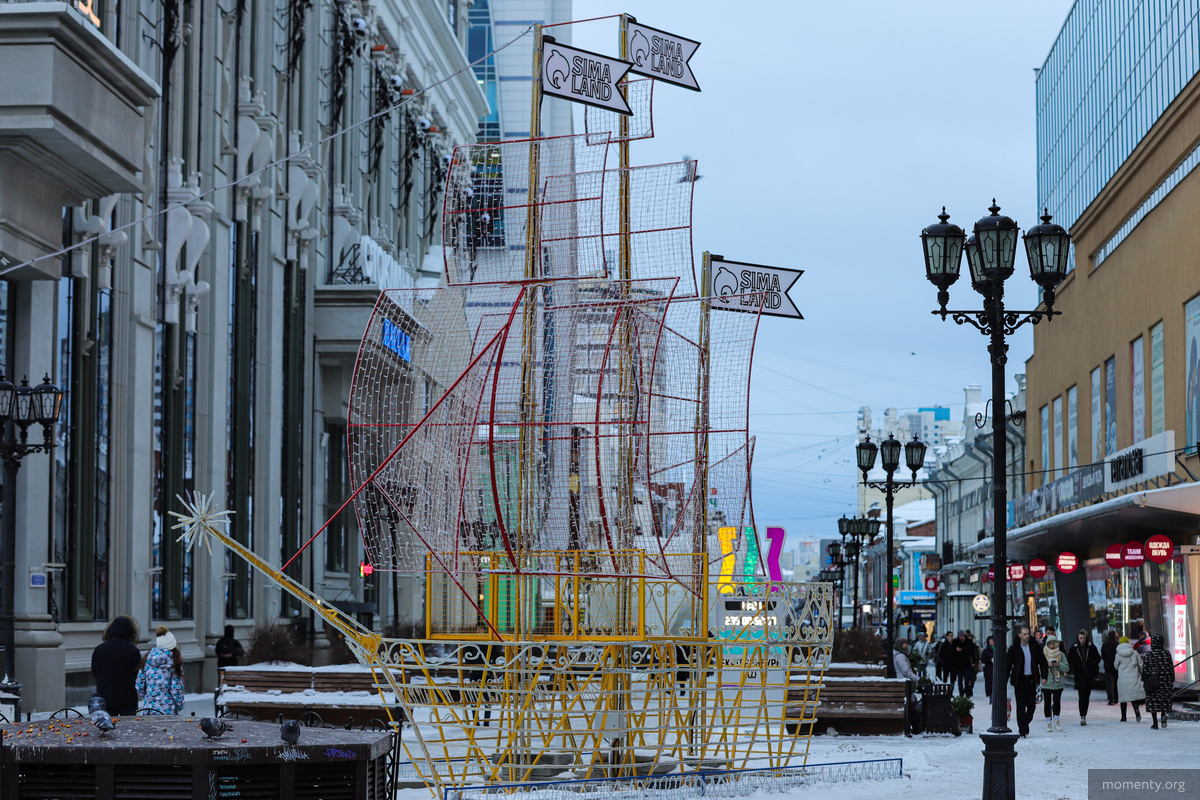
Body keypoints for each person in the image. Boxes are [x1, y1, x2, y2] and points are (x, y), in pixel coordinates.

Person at [90, 615, 142, 716]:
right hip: (127, 699)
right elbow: (137, 675)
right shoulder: (133, 651)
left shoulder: (99, 649)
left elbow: (95, 671)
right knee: (129, 729)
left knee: (107, 728)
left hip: (105, 698)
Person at [1007, 625, 1048, 738]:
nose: (1027, 636)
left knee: (1031, 706)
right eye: (1024, 634)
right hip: (1019, 681)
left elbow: (1043, 662)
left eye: (1028, 634)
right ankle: (1022, 730)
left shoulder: (1035, 646)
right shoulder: (1014, 648)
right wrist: (1004, 681)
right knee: (1021, 705)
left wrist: (1044, 676)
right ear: (1019, 635)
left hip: (1031, 679)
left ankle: (1024, 723)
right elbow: (1007, 665)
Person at [136, 625, 185, 715]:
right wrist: (180, 704)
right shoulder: (174, 662)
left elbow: (139, 684)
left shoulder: (147, 659)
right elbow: (176, 689)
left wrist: (149, 697)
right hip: (168, 710)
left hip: (149, 709)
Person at [1067, 628, 1101, 725]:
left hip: (1089, 675)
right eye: (1081, 638)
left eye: (1084, 638)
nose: (1082, 640)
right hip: (1079, 675)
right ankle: (1082, 715)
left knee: (1086, 696)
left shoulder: (1091, 647)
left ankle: (1084, 714)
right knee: (1082, 696)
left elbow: (1098, 658)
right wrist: (1076, 665)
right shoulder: (1074, 648)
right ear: (1078, 638)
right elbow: (1069, 659)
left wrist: (1091, 663)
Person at [1142, 633, 1175, 729]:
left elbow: (1145, 669)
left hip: (1153, 682)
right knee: (1163, 700)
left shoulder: (1149, 654)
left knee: (1153, 702)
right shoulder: (1167, 653)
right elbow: (1170, 668)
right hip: (1165, 681)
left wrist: (1144, 679)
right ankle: (1163, 714)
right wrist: (1171, 679)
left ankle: (1155, 722)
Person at [1114, 635, 1145, 722]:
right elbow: (1141, 664)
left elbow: (1116, 666)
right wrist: (1141, 673)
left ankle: (1123, 717)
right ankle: (1137, 712)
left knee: (1123, 698)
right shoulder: (1134, 653)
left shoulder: (1118, 655)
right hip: (1133, 678)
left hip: (1123, 679)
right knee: (1133, 697)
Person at [1042, 633, 1066, 732]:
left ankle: (1057, 721)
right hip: (1047, 682)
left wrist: (1058, 664)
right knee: (1047, 703)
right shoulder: (1043, 654)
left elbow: (1066, 667)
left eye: (1054, 643)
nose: (1052, 645)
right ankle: (1048, 722)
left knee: (1057, 702)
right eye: (1050, 643)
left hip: (1058, 682)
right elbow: (1039, 667)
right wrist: (1047, 665)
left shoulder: (1060, 654)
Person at [1101, 630, 1119, 705]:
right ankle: (1116, 698)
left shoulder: (1105, 645)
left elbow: (1103, 656)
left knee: (1109, 682)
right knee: (1116, 682)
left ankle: (1111, 699)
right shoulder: (1117, 644)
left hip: (1107, 665)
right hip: (1116, 665)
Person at [953, 630, 972, 696]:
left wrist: (973, 661)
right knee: (960, 680)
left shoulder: (968, 641)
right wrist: (956, 650)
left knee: (967, 679)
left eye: (962, 636)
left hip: (966, 663)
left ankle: (966, 691)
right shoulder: (955, 642)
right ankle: (961, 693)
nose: (961, 637)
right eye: (960, 636)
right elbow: (952, 652)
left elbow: (972, 652)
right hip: (958, 664)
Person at [964, 632, 981, 696]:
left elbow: (978, 655)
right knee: (967, 678)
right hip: (967, 665)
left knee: (973, 679)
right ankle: (967, 689)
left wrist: (976, 663)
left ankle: (970, 688)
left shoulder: (975, 646)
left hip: (974, 665)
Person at [981, 635, 996, 703]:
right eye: (990, 642)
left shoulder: (998, 649)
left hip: (995, 669)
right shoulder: (986, 651)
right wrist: (990, 660)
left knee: (995, 683)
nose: (991, 643)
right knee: (989, 683)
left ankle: (995, 696)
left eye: (992, 641)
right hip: (989, 669)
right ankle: (991, 697)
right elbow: (983, 660)